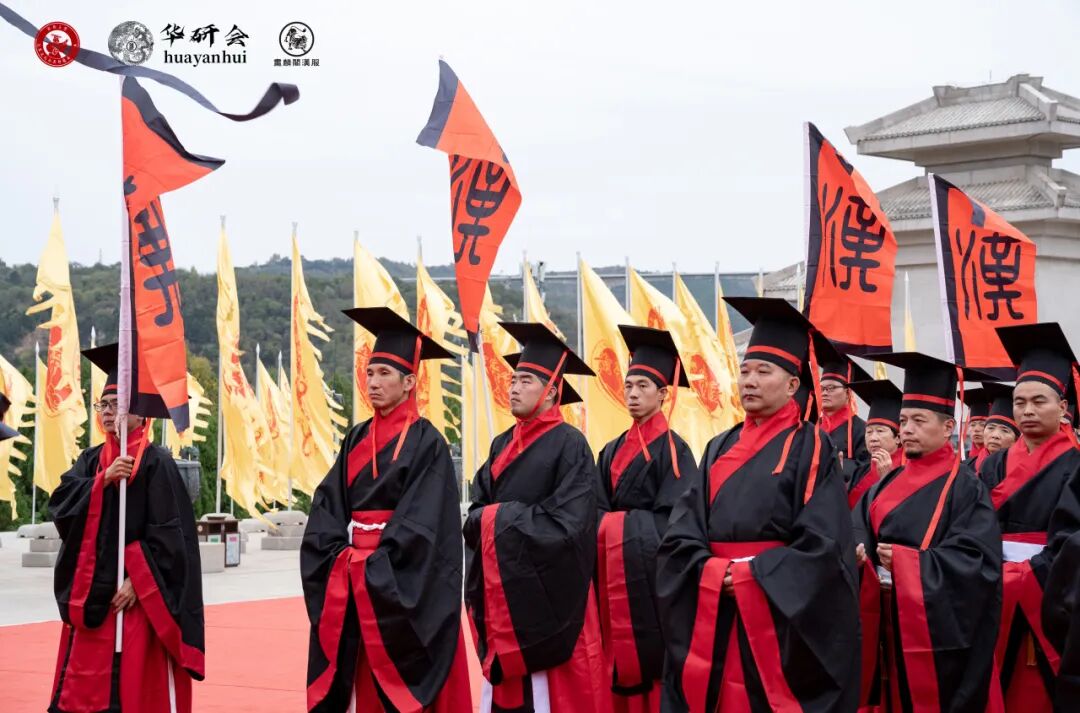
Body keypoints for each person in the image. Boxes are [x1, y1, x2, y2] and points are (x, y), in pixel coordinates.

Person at [657, 297, 859, 713]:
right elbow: (684, 528)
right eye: (744, 371)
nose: (748, 381)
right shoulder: (718, 446)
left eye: (763, 372)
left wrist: (753, 576)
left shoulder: (812, 445)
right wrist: (711, 571)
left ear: (791, 385)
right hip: (715, 600)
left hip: (777, 614)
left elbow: (823, 543)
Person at [302, 308, 472, 712]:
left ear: (410, 381)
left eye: (384, 374)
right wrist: (339, 560)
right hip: (355, 578)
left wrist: (373, 567)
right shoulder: (355, 438)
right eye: (370, 372)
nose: (373, 383)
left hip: (393, 581)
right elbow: (327, 505)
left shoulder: (428, 442)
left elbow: (425, 524)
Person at [49, 343, 204, 713]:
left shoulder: (156, 463)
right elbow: (61, 507)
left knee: (133, 689)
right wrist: (101, 482)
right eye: (103, 405)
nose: (107, 413)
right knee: (82, 692)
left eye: (116, 404)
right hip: (93, 594)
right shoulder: (91, 461)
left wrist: (142, 582)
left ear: (140, 412)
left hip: (136, 598)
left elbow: (173, 538)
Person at [463, 322, 610, 713]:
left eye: (526, 380)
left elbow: (570, 525)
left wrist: (497, 520)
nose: (514, 387)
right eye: (513, 379)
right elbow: (476, 510)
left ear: (552, 392)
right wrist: (488, 520)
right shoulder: (501, 443)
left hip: (551, 598)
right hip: (502, 590)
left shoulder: (571, 444)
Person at [851, 352, 1001, 712]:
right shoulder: (887, 483)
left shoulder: (966, 487)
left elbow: (977, 563)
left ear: (948, 427)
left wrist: (908, 564)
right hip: (878, 615)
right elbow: (857, 526)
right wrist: (856, 552)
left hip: (932, 628)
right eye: (903, 421)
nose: (907, 429)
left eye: (919, 420)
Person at [595, 325, 698, 713]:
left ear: (663, 394)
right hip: (609, 571)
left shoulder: (676, 452)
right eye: (628, 386)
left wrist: (614, 529)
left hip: (650, 578)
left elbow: (676, 520)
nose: (633, 394)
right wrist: (606, 529)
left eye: (642, 386)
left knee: (652, 660)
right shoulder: (609, 449)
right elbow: (596, 507)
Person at [980, 323, 1080, 712]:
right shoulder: (992, 466)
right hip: (991, 588)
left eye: (1040, 401)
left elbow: (1073, 539)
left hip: (1051, 595)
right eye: (1019, 402)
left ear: (1064, 408)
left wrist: (1026, 576)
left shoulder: (1075, 465)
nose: (1027, 410)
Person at [845, 378, 904, 509]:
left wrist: (886, 479)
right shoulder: (860, 472)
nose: (873, 438)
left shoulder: (906, 470)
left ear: (898, 438)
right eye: (869, 431)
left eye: (880, 431)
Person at [818, 352, 871, 484]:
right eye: (822, 388)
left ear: (848, 393)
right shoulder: (812, 427)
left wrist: (840, 466)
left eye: (831, 388)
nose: (824, 393)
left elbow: (868, 468)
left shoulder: (862, 429)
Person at [973, 382, 1020, 474]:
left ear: (1016, 439)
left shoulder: (1021, 471)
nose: (995, 435)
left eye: (1004, 430)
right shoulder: (965, 469)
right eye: (991, 428)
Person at [962, 387, 992, 466]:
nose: (976, 429)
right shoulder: (964, 458)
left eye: (982, 424)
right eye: (972, 425)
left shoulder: (997, 461)